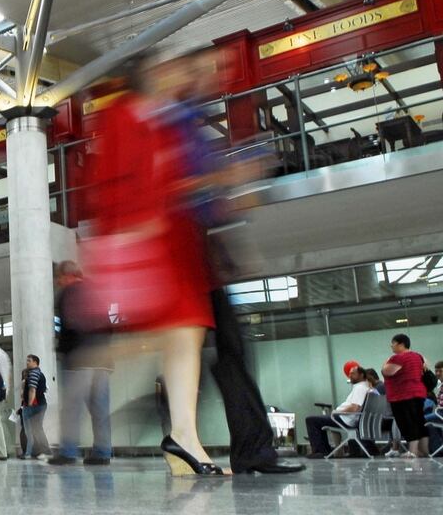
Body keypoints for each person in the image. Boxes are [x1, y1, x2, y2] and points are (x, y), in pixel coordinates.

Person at [158, 51, 303, 475]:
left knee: (225, 352)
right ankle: (236, 447)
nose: (209, 76)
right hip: (190, 250)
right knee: (217, 351)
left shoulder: (191, 123)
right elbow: (177, 185)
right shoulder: (174, 121)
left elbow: (203, 189)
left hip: (204, 248)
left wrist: (229, 199)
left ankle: (243, 448)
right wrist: (227, 178)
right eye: (199, 68)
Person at [77, 61, 222, 476]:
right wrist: (130, 225)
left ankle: (185, 437)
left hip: (173, 239)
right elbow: (110, 180)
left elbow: (174, 175)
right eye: (168, 70)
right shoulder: (123, 113)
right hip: (149, 238)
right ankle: (182, 436)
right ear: (150, 74)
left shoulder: (162, 117)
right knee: (176, 334)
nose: (179, 77)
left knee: (185, 336)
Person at [51, 261, 112, 466]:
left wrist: (62, 349)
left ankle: (68, 452)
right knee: (100, 409)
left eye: (59, 278)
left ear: (66, 276)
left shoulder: (67, 293)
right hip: (102, 359)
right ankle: (103, 452)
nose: (58, 282)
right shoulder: (98, 292)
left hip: (79, 359)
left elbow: (67, 325)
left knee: (71, 407)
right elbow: (109, 325)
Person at [304, 363, 371, 458]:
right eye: (349, 374)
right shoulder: (364, 386)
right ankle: (323, 451)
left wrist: (337, 412)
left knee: (311, 420)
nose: (350, 376)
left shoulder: (360, 387)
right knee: (319, 421)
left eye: (353, 374)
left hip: (345, 419)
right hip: (347, 418)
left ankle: (320, 451)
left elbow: (354, 408)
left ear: (361, 375)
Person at [381, 334, 430, 457]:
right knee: (419, 421)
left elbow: (386, 371)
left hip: (402, 395)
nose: (391, 345)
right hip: (418, 393)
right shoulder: (418, 356)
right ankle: (424, 451)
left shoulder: (398, 358)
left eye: (393, 343)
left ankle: (412, 451)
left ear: (401, 344)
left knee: (407, 422)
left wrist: (385, 363)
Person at [20, 355, 51, 459]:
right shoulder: (39, 374)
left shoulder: (33, 373)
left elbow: (32, 390)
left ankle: (32, 453)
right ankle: (35, 452)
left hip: (34, 406)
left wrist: (28, 405)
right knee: (36, 429)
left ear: (35, 362)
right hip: (41, 405)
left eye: (29, 361)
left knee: (31, 431)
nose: (27, 362)